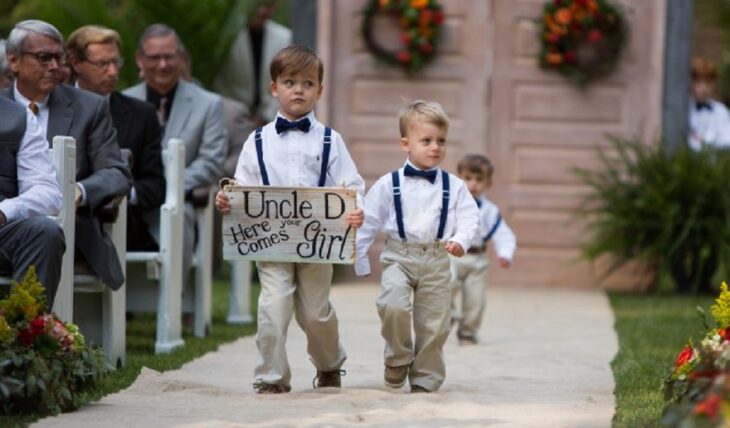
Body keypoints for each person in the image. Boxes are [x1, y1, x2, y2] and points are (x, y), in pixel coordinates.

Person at [215, 45, 365, 394]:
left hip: (320, 243)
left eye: (308, 83)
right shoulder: (258, 141)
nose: (298, 90)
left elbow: (352, 185)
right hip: (272, 241)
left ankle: (329, 364)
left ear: (319, 90)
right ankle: (271, 376)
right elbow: (244, 187)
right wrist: (229, 199)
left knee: (316, 313)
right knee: (273, 305)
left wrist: (357, 209)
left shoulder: (331, 140)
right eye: (289, 82)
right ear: (274, 88)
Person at [355, 100, 479, 393]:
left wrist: (460, 239)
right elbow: (369, 220)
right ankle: (398, 357)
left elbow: (469, 216)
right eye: (426, 141)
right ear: (405, 144)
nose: (435, 147)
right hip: (399, 255)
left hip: (436, 258)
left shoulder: (454, 185)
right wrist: (360, 256)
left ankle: (425, 377)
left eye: (441, 141)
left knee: (435, 322)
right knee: (392, 305)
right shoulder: (389, 184)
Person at [2, 19, 131, 291]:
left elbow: (117, 172)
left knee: (45, 234)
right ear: (13, 61)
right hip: (9, 227)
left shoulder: (89, 107)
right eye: (43, 58)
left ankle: (27, 329)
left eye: (58, 58)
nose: (54, 67)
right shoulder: (3, 109)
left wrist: (79, 191)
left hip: (73, 229)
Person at [125, 24, 227, 280]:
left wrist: (165, 187)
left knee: (176, 216)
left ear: (181, 58)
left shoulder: (209, 104)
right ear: (140, 59)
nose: (162, 65)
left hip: (181, 200)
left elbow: (211, 162)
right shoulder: (122, 101)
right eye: (154, 57)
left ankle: (172, 300)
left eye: (169, 57)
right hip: (131, 202)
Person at [66, 25, 165, 251]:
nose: (112, 72)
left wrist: (111, 190)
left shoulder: (142, 114)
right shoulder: (54, 106)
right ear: (75, 63)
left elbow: (155, 186)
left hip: (119, 221)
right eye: (102, 64)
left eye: (116, 63)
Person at [0, 96, 65, 305]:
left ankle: (25, 332)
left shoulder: (19, 118)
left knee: (44, 231)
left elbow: (47, 191)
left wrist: (4, 211)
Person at [449, 154, 516, 345]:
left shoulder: (490, 210)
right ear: (459, 179)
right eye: (468, 178)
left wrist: (505, 254)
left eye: (479, 180)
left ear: (489, 183)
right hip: (451, 255)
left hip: (477, 260)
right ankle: (449, 315)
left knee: (475, 300)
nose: (473, 184)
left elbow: (504, 234)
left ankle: (468, 332)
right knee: (444, 286)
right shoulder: (450, 204)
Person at [214, 0, 292, 126]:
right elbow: (219, 83)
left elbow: (289, 82)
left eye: (267, 6)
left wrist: (266, 116)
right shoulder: (227, 38)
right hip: (232, 119)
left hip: (274, 119)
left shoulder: (285, 38)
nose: (262, 11)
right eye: (257, 6)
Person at [689, 56, 730, 150]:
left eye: (708, 83)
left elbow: (728, 140)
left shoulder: (721, 111)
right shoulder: (684, 110)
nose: (703, 89)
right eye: (699, 83)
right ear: (691, 83)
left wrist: (706, 141)